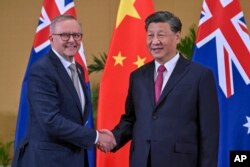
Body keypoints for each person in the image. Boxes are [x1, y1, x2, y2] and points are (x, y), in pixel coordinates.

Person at [99, 11, 219, 167]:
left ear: (177, 37)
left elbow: (209, 133)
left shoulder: (200, 75)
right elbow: (132, 118)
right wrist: (114, 137)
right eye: (150, 35)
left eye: (161, 35)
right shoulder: (137, 76)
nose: (154, 41)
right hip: (142, 160)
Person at [12, 15, 116, 167]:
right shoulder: (42, 69)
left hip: (74, 158)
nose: (72, 40)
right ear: (51, 38)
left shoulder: (79, 69)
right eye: (65, 35)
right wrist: (95, 137)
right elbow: (50, 121)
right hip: (48, 160)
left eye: (77, 35)